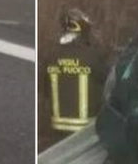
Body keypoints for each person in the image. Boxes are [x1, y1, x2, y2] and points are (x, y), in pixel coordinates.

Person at [45, 8, 105, 137]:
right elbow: (106, 83)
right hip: (85, 129)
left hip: (57, 127)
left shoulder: (51, 54)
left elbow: (43, 88)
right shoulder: (91, 56)